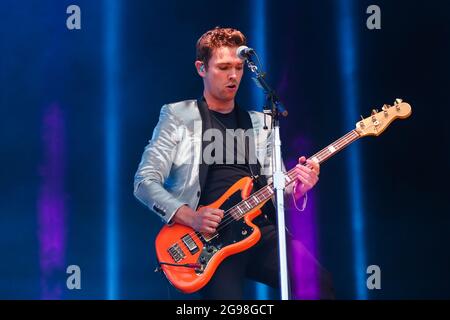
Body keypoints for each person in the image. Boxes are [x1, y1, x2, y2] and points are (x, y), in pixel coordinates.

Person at [134, 27, 334, 299]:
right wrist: (191, 217)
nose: (233, 76)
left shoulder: (261, 123)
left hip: (259, 229)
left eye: (239, 68)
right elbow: (144, 182)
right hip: (208, 238)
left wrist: (296, 189)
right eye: (223, 67)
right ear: (201, 68)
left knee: (319, 285)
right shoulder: (178, 115)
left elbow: (277, 189)